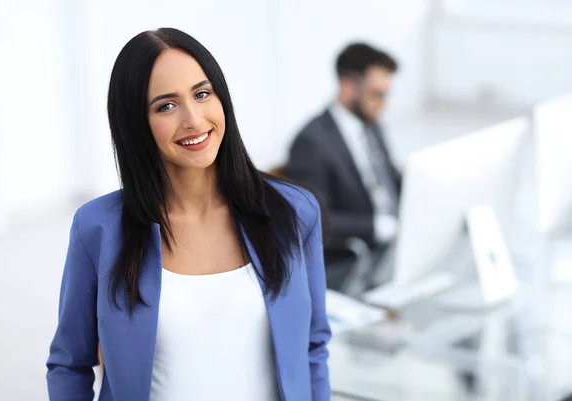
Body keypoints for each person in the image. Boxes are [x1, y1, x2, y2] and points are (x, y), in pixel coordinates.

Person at [46, 28, 330, 401]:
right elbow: (70, 363)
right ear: (136, 124)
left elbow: (313, 347)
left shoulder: (294, 211)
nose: (194, 120)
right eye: (166, 105)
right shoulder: (97, 228)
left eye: (201, 94)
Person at [286, 43, 401, 269]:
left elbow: (391, 178)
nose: (383, 105)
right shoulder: (311, 142)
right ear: (348, 87)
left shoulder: (371, 124)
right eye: (377, 95)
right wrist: (379, 227)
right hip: (359, 256)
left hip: (395, 243)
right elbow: (317, 220)